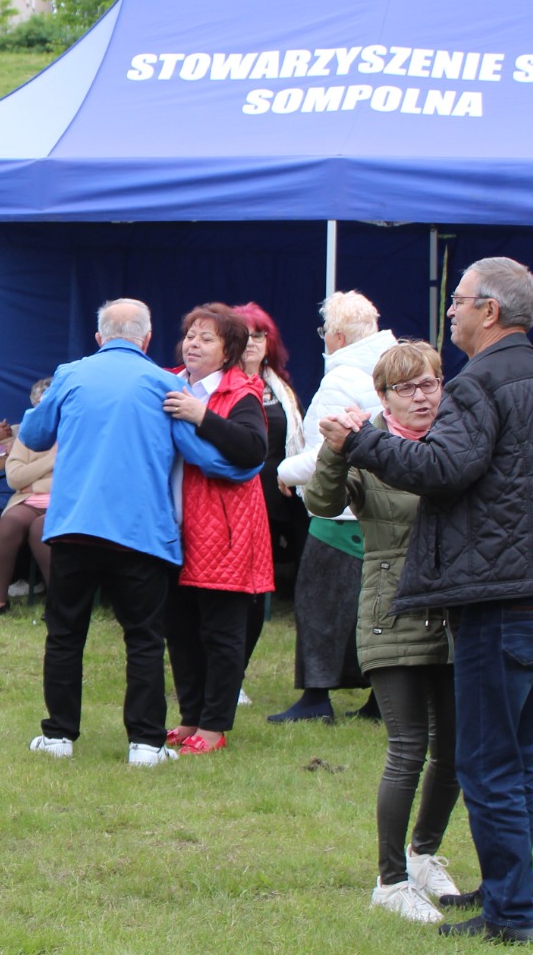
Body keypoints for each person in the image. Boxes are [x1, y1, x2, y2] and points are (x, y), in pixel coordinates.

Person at [328, 257, 533, 944]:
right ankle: (507, 895)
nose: (452, 314)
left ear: (491, 312)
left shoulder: (481, 386)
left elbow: (441, 469)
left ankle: (513, 916)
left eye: (460, 303)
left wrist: (363, 441)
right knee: (516, 759)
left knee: (487, 763)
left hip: (502, 601)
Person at [16, 298, 260, 768]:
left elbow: (36, 434)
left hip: (74, 528)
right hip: (142, 535)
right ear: (147, 340)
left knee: (65, 634)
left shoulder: (70, 375)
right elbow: (202, 456)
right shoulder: (164, 384)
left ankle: (59, 736)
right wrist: (247, 469)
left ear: (99, 338)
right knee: (144, 639)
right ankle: (146, 744)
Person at [309, 340, 465, 924]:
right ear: (383, 397)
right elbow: (322, 503)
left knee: (454, 748)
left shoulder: (458, 439)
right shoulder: (368, 445)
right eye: (406, 388)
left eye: (429, 383)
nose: (421, 396)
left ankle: (424, 856)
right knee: (408, 747)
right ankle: (390, 879)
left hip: (455, 610)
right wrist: (336, 448)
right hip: (393, 608)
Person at [271, 290, 397, 724]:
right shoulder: (395, 369)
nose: (323, 339)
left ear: (338, 337)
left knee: (319, 608)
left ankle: (316, 699)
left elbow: (327, 452)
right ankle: (379, 702)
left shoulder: (341, 378)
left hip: (339, 514)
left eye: (325, 332)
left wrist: (284, 471)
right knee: (377, 612)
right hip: (384, 510)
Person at [159, 303, 271, 756]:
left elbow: (252, 449)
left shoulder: (240, 392)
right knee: (180, 628)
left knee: (222, 633)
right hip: (171, 527)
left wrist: (199, 416)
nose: (194, 344)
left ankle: (214, 726)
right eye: (190, 335)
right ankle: (189, 719)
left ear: (228, 351)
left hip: (223, 532)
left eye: (207, 338)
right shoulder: (165, 383)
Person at [233, 302, 307, 700]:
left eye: (259, 335)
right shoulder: (219, 384)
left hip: (282, 503)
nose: (251, 343)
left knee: (263, 592)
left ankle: (238, 671)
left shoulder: (280, 386)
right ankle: (230, 676)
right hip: (238, 502)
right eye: (243, 335)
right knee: (241, 596)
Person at [0, 377, 55, 620]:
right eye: (40, 406)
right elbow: (14, 478)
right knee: (8, 525)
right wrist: (53, 462)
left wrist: (34, 482)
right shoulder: (27, 435)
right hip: (28, 500)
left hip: (63, 501)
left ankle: (57, 603)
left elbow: (75, 478)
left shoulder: (74, 432)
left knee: (40, 529)